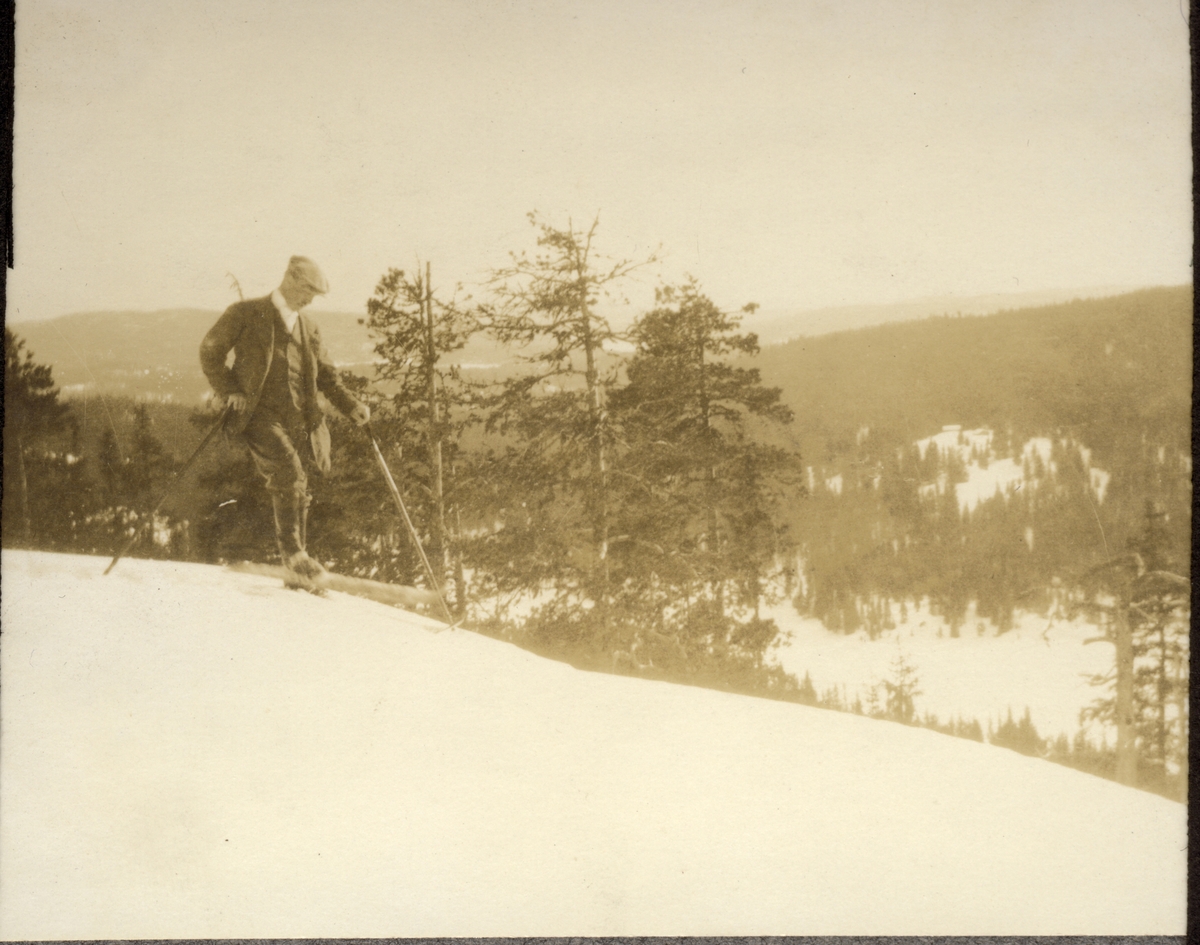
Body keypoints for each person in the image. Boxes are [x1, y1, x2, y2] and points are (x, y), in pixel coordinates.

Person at [200, 256, 369, 580]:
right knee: (289, 474)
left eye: (315, 295)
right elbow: (210, 351)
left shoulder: (309, 327)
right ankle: (295, 557)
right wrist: (229, 389)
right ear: (290, 279)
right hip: (256, 415)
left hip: (299, 418)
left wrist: (351, 406)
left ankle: (299, 564)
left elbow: (328, 377)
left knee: (299, 484)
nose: (310, 299)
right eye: (307, 290)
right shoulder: (245, 313)